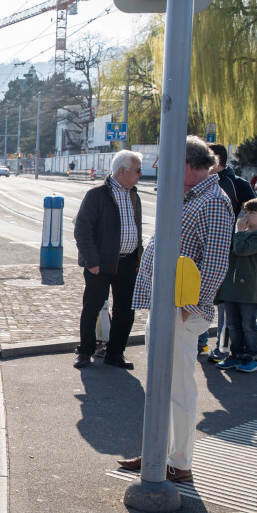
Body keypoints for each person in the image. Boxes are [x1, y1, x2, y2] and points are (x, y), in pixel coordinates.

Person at [118, 137, 234, 484]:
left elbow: (215, 264)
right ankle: (158, 450)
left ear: (185, 166)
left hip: (182, 309)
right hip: (169, 305)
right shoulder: (192, 195)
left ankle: (180, 462)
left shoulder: (213, 200)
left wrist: (190, 309)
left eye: (166, 164)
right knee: (160, 384)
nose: (158, 171)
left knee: (179, 388)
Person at [73, 150, 144, 370]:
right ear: (122, 171)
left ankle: (115, 353)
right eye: (138, 170)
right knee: (92, 307)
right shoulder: (97, 195)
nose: (140, 175)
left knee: (125, 310)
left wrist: (138, 260)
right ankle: (85, 351)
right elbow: (82, 231)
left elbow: (136, 229)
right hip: (100, 263)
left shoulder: (134, 195)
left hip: (127, 263)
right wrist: (91, 261)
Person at [200, 143, 256, 357]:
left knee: (224, 303)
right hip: (203, 250)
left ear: (215, 160)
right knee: (201, 296)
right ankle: (201, 342)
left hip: (229, 253)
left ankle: (221, 348)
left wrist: (241, 238)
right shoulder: (201, 181)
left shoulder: (237, 184)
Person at [213, 198, 257, 373]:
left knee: (249, 324)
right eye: (246, 212)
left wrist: (239, 232)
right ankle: (236, 354)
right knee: (232, 323)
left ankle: (251, 357)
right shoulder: (242, 234)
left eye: (252, 213)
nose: (247, 216)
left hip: (249, 289)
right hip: (233, 287)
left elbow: (241, 250)